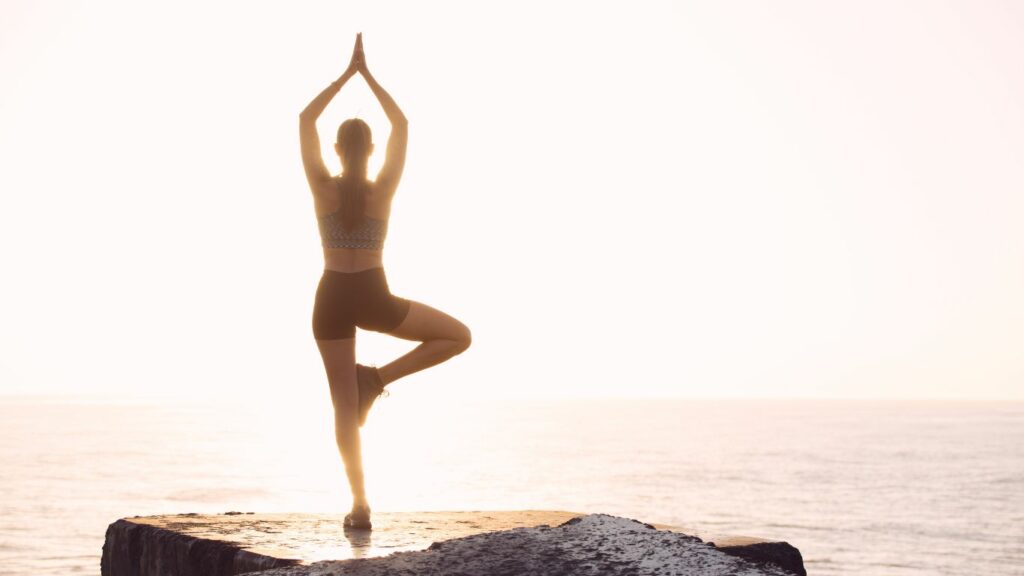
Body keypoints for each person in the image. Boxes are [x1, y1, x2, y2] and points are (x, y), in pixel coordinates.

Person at [299, 33, 472, 530]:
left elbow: (305, 120)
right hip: (373, 294)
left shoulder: (322, 187)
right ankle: (377, 379)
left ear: (336, 149)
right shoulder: (385, 188)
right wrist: (368, 76)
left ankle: (359, 505)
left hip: (331, 295)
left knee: (342, 408)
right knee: (458, 336)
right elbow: (402, 122)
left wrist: (343, 76)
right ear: (372, 150)